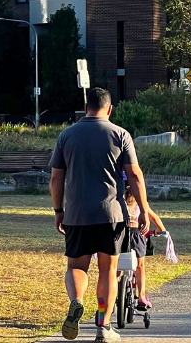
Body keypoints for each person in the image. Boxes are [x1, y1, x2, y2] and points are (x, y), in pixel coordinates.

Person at [51, 87, 152, 343]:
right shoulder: (121, 135)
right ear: (109, 109)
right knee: (109, 269)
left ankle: (76, 302)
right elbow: (135, 175)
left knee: (76, 266)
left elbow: (56, 178)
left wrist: (58, 210)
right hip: (112, 214)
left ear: (85, 107)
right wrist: (143, 210)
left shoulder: (67, 136)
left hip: (77, 214)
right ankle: (103, 326)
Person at [125, 180, 166, 311]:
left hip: (121, 235)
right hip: (137, 234)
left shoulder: (119, 202)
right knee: (140, 266)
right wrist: (159, 230)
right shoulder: (141, 204)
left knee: (115, 268)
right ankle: (141, 296)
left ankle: (112, 294)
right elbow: (155, 220)